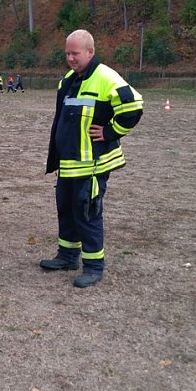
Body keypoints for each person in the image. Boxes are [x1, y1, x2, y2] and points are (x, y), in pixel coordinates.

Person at [40, 29, 143, 288]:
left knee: (87, 214)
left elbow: (134, 107)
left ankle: (94, 266)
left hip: (93, 165)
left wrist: (109, 132)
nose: (70, 59)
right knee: (66, 210)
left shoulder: (107, 77)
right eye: (67, 54)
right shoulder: (69, 79)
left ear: (90, 52)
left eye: (75, 53)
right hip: (69, 163)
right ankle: (67, 256)